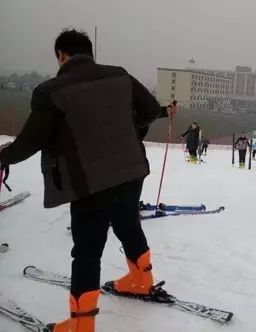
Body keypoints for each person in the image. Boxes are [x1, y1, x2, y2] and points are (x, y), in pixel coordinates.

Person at [0, 29, 166, 332]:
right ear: (89, 53)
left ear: (61, 55)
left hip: (89, 180)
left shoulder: (51, 90)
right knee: (128, 225)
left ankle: (81, 325)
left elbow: (28, 142)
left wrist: (3, 156)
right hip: (131, 170)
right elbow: (152, 110)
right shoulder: (120, 76)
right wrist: (131, 135)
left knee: (88, 250)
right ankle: (141, 279)